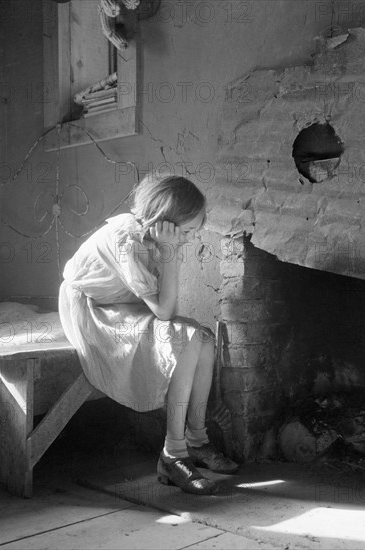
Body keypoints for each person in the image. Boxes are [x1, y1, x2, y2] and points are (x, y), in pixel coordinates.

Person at [59, 174, 238, 495]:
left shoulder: (153, 238)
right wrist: (170, 253)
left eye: (193, 233)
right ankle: (173, 453)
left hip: (125, 304)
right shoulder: (127, 243)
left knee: (203, 338)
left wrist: (169, 247)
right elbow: (166, 312)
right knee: (187, 339)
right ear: (163, 222)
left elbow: (164, 309)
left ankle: (197, 440)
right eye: (185, 232)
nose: (187, 240)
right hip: (95, 311)